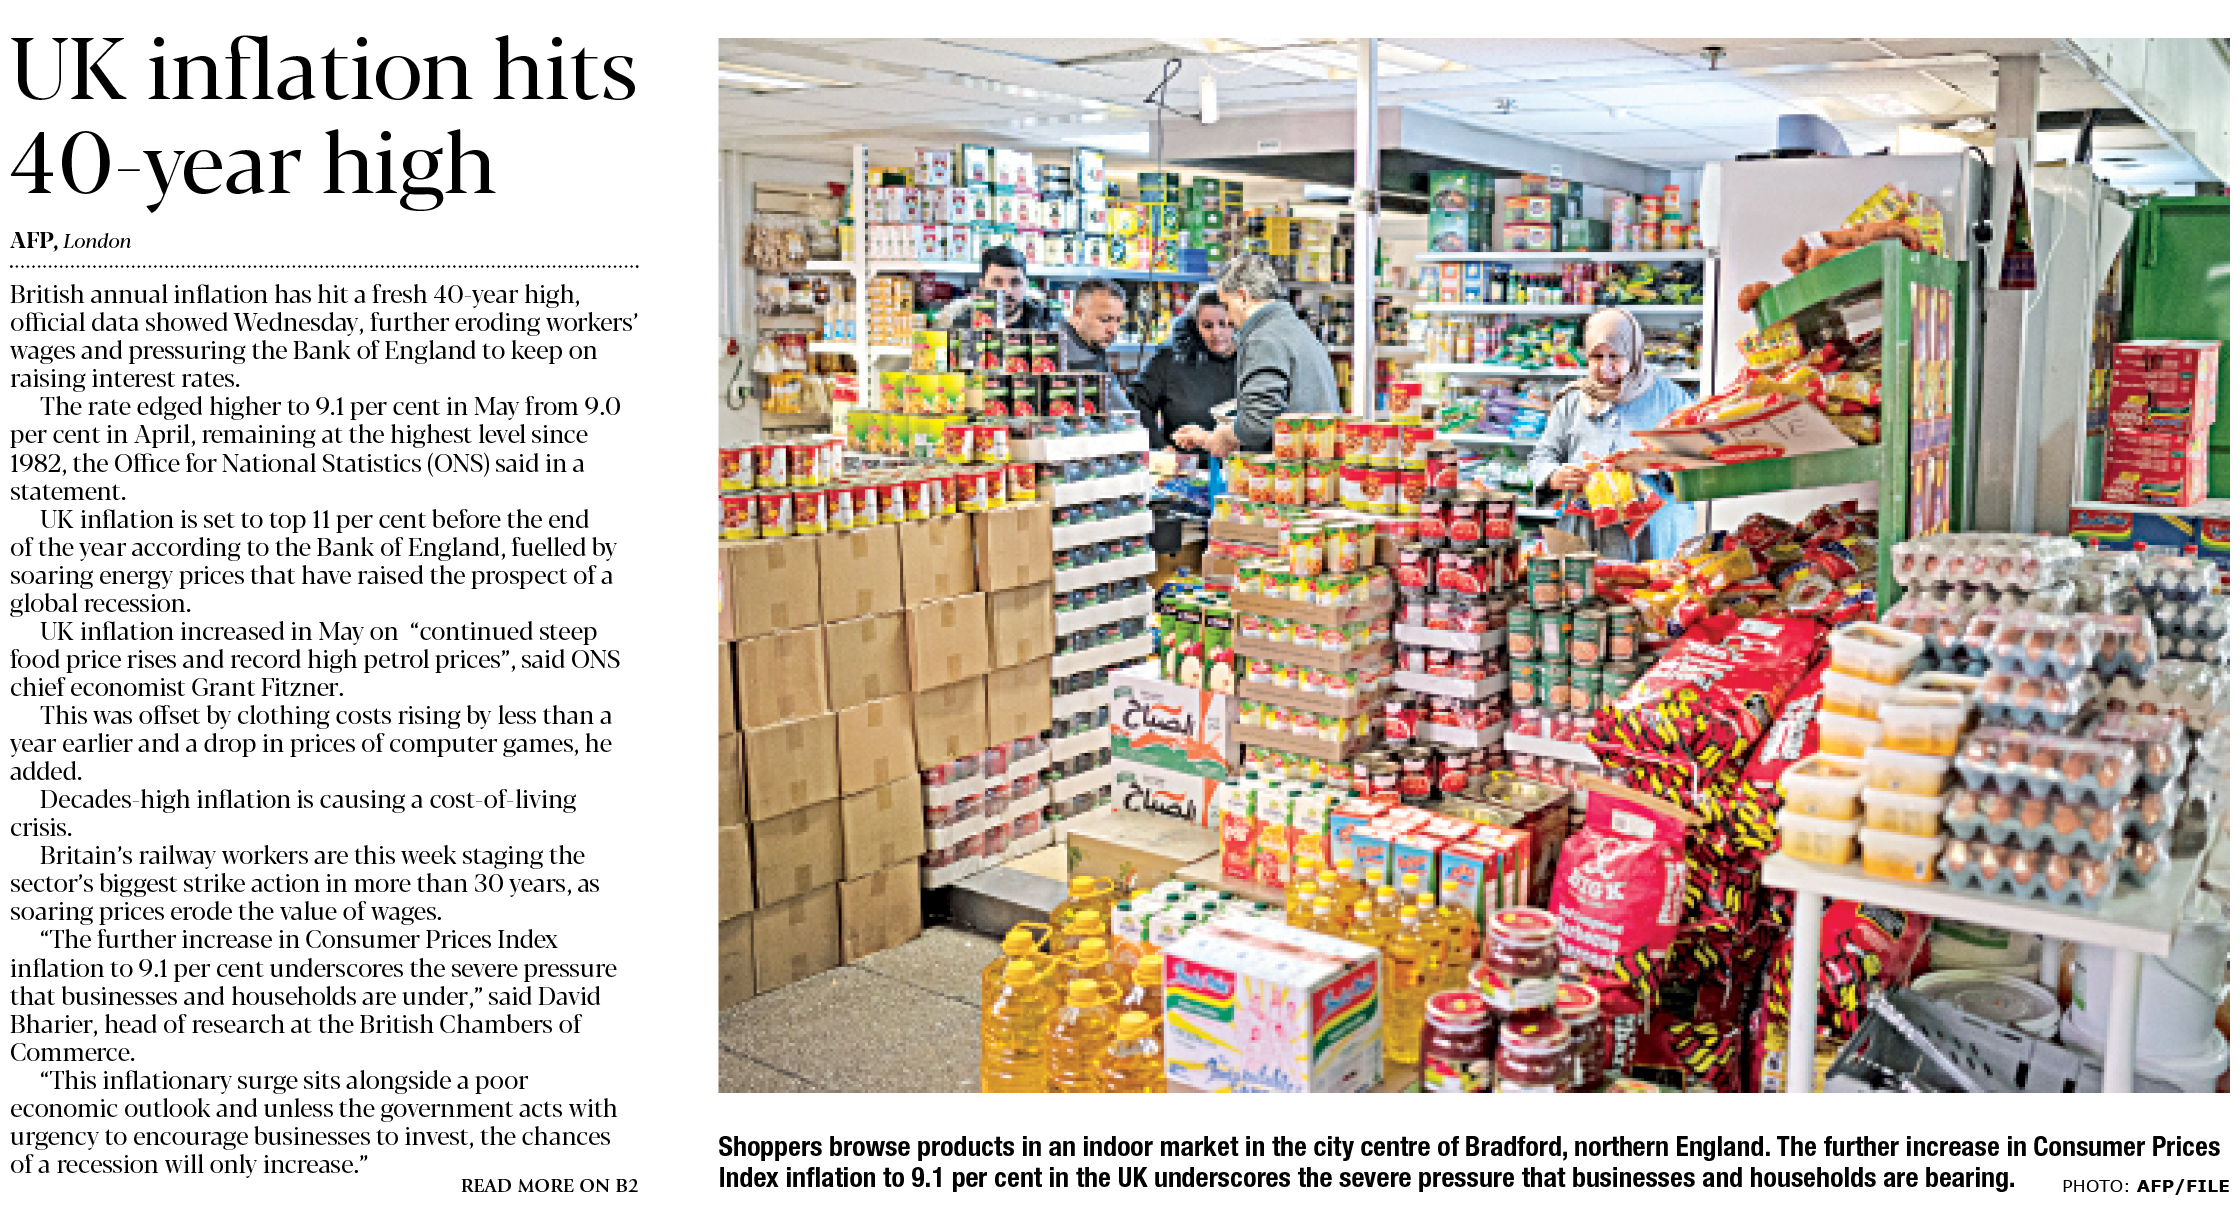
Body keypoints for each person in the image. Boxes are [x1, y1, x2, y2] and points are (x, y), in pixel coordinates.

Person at [1525, 307, 1698, 561]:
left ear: (1634, 353)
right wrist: (1553, 476)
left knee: (1652, 585)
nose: (1605, 367)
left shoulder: (1669, 397)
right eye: (1596, 356)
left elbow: (1698, 456)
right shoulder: (1573, 401)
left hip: (1654, 533)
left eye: (1615, 356)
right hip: (1585, 533)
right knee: (1585, 585)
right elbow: (1542, 456)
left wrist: (1657, 465)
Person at [1170, 254, 1339, 456]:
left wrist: (1224, 436)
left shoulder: (1263, 337)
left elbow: (1256, 425)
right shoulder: (1296, 330)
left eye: (1226, 306)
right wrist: (1212, 438)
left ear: (1243, 297)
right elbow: (1273, 415)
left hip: (1291, 470)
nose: (1228, 319)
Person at [1127, 288, 1236, 449]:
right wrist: (1160, 446)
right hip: (1185, 461)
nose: (1216, 333)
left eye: (1224, 324)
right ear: (1194, 325)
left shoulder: (1254, 359)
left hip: (1244, 461)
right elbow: (1137, 401)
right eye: (1207, 326)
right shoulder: (1171, 358)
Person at [935, 245, 1055, 331]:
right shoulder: (962, 326)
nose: (1007, 291)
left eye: (1015, 282)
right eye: (997, 282)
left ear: (1025, 285)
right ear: (982, 285)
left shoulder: (1050, 322)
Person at [1056, 277, 1127, 373]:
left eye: (1118, 321)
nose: (1113, 330)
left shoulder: (1092, 342)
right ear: (1078, 313)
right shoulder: (1062, 354)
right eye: (1105, 320)